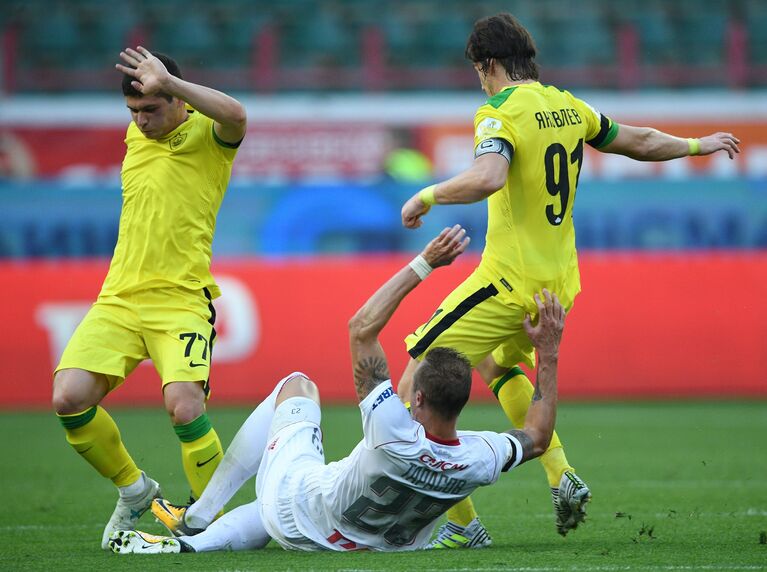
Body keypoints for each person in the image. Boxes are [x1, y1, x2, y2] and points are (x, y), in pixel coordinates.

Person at [398, 13, 741, 548]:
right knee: (497, 362)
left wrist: (426, 196)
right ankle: (562, 476)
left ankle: (463, 524)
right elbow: (640, 141)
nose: (479, 82)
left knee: (414, 385)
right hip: (556, 285)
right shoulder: (568, 106)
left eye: (478, 71)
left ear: (489, 64)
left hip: (506, 281)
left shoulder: (497, 112)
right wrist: (699, 145)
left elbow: (489, 176)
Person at [107, 225, 568, 554]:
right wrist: (547, 353)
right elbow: (538, 435)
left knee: (297, 386)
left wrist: (426, 262)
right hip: (359, 546)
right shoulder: (478, 458)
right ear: (463, 401)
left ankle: (203, 513)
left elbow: (360, 329)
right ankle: (194, 545)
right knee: (284, 499)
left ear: (419, 399)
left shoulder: (391, 427)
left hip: (299, 513)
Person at [51, 46, 247, 550]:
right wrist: (149, 88)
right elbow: (143, 106)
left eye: (151, 109)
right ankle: (136, 490)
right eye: (133, 113)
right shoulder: (138, 134)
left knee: (184, 407)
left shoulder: (209, 135)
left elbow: (237, 114)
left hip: (181, 298)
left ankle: (213, 520)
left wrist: (171, 82)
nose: (140, 122)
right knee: (69, 399)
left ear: (178, 102)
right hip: (117, 298)